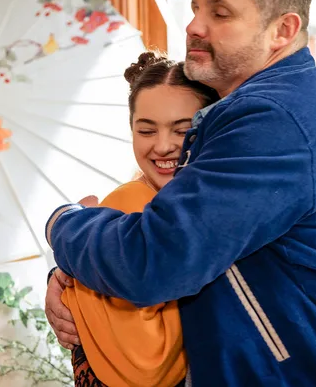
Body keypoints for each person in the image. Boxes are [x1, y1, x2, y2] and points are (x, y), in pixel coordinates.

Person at [45, 0, 316, 386]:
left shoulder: (272, 118)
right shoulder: (268, 107)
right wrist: (67, 275)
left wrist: (64, 222)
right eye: (196, 8)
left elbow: (155, 261)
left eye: (220, 14)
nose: (194, 26)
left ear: (282, 30)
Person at [61, 50, 219, 387]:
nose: (162, 147)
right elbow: (147, 362)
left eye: (182, 130)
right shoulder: (130, 204)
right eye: (146, 131)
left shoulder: (211, 206)